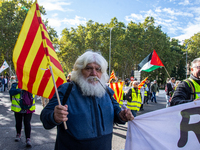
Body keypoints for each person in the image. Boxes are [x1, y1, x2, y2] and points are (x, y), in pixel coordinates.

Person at [40, 51, 134, 150]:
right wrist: (54, 117)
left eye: (98, 69)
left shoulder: (106, 91)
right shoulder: (65, 89)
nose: (94, 73)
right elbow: (45, 117)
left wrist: (122, 115)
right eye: (88, 68)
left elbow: (117, 113)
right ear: (80, 70)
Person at [9, 82, 35, 147]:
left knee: (27, 123)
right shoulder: (15, 84)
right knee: (18, 122)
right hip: (18, 108)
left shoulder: (31, 84)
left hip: (28, 108)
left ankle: (28, 139)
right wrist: (20, 90)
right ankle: (18, 134)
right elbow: (11, 92)